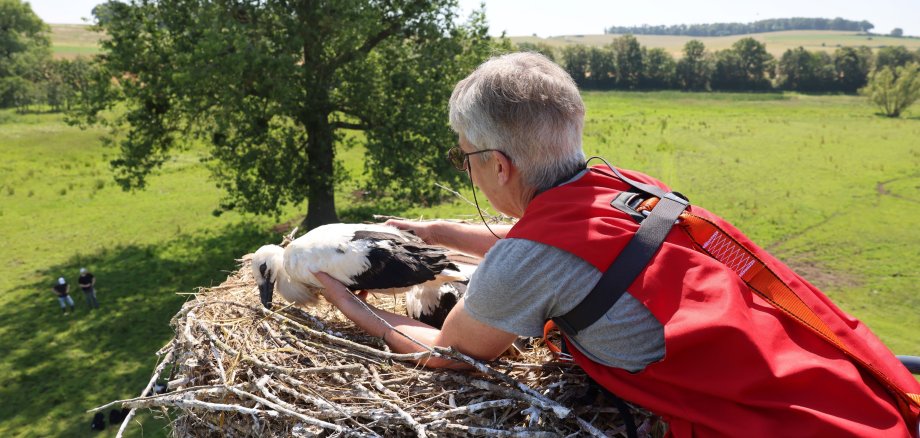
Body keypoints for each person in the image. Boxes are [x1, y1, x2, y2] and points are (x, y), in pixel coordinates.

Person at [312, 52, 920, 437]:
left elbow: (452, 354)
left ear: (497, 165)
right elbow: (562, 246)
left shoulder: (528, 260)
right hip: (840, 385)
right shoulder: (624, 187)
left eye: (464, 158)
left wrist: (344, 300)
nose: (465, 171)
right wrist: (437, 232)